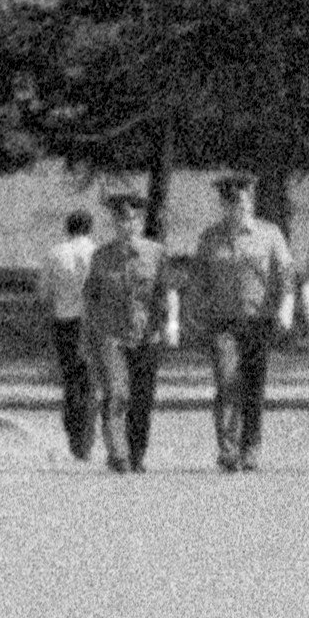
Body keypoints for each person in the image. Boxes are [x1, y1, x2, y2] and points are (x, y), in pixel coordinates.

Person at [184, 172, 301, 472]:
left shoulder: (270, 234)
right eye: (234, 203)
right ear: (224, 205)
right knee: (226, 381)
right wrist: (192, 313)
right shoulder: (210, 238)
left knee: (253, 386)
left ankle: (251, 447)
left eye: (246, 201)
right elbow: (198, 279)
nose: (241, 207)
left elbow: (286, 275)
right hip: (223, 323)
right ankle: (228, 450)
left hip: (258, 322)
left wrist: (286, 306)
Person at [81, 193, 176, 473]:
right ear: (114, 224)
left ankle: (136, 453)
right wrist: (89, 336)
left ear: (139, 222)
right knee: (116, 393)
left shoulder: (156, 253)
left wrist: (171, 325)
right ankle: (118, 454)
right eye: (121, 220)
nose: (127, 225)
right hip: (112, 336)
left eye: (132, 220)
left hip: (146, 336)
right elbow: (90, 297)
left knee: (142, 399)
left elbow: (167, 291)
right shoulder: (101, 257)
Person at [35, 206, 104, 462]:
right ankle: (87, 435)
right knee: (89, 379)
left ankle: (74, 432)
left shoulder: (55, 254)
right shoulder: (97, 253)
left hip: (65, 322)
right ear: (90, 228)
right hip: (91, 322)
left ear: (68, 227)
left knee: (70, 378)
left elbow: (43, 293)